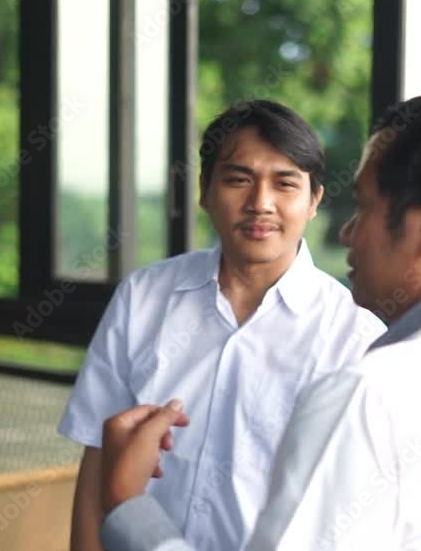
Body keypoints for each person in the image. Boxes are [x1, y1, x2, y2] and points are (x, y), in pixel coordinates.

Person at [95, 91, 421, 550]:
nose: (348, 234)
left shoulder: (366, 395)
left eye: (365, 207)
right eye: (238, 178)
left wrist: (128, 504)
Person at [58, 100, 386, 551]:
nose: (260, 204)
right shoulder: (143, 297)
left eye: (285, 184)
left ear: (314, 201)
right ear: (204, 191)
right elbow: (98, 459)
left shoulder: (356, 339)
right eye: (238, 180)